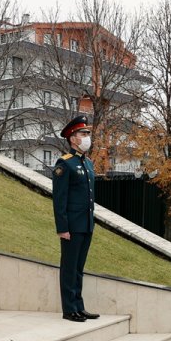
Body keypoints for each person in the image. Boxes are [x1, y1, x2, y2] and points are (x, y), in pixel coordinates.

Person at [53, 114, 98, 322]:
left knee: (79, 268)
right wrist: (62, 227)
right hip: (71, 226)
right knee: (69, 267)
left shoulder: (87, 163)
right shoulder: (65, 163)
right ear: (73, 138)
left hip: (86, 224)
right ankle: (69, 309)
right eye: (83, 133)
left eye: (88, 133)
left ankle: (79, 306)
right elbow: (59, 200)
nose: (87, 136)